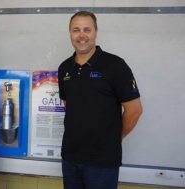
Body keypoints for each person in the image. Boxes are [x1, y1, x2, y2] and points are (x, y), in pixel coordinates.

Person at [58, 11, 143, 189]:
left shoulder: (116, 65)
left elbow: (134, 110)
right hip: (70, 158)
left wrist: (113, 138)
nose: (81, 35)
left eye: (87, 29)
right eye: (76, 30)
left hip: (103, 163)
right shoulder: (64, 68)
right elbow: (70, 106)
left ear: (96, 32)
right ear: (70, 34)